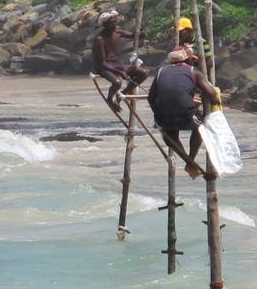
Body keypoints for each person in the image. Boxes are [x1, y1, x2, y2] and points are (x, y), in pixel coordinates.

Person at [147, 48, 217, 180]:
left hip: (163, 115)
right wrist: (211, 101)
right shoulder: (194, 72)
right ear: (188, 60)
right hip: (185, 114)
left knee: (169, 135)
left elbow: (151, 98)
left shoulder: (161, 72)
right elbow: (212, 94)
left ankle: (190, 164)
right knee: (200, 128)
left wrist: (158, 115)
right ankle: (191, 162)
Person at [92, 9, 147, 112]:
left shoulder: (117, 31)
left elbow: (133, 35)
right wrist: (119, 72)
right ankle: (110, 99)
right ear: (105, 24)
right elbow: (102, 63)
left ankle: (123, 93)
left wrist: (141, 34)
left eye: (115, 22)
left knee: (143, 73)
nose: (115, 24)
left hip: (115, 64)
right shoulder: (99, 39)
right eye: (112, 23)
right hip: (103, 67)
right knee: (117, 82)